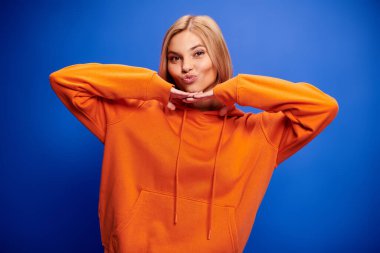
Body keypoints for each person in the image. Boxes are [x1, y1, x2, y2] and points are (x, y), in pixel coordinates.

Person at [49, 15, 339, 253]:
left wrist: (234, 90)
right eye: (175, 58)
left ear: (217, 56)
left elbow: (322, 107)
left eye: (198, 54)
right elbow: (65, 81)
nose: (185, 67)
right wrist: (154, 87)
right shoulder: (129, 117)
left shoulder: (258, 134)